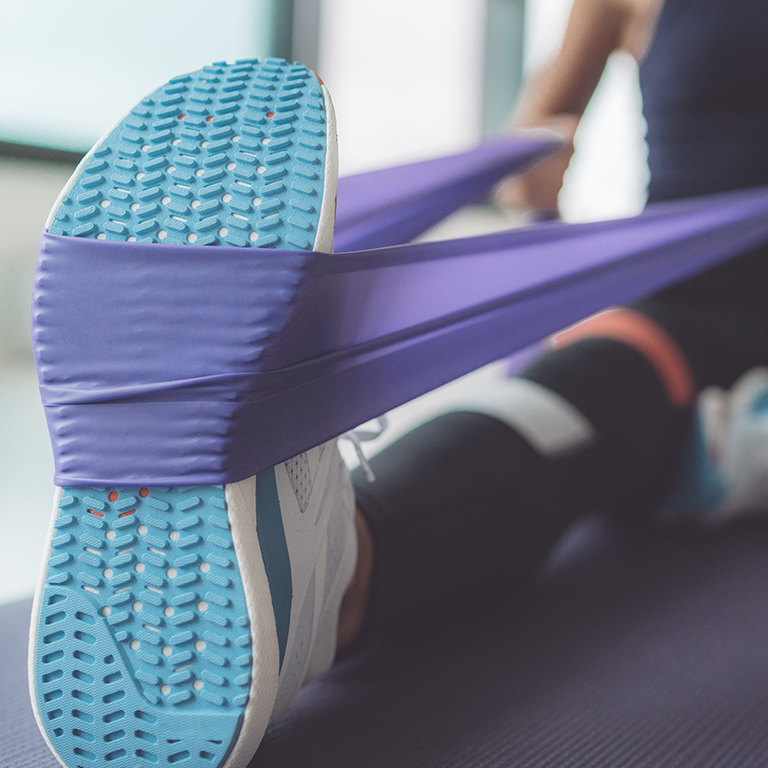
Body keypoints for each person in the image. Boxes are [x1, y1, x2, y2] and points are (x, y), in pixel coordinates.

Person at [27, 2, 768, 766]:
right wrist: (537, 156)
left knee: (604, 406)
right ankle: (332, 578)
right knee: (578, 401)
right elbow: (548, 120)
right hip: (682, 298)